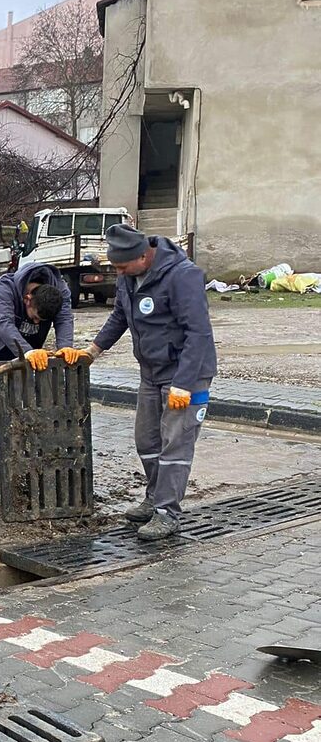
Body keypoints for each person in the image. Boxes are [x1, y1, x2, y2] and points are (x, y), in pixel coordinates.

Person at [69, 224, 217, 542]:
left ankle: (167, 513)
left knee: (174, 445)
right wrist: (94, 350)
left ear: (143, 256)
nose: (119, 273)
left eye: (122, 266)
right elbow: (120, 316)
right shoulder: (128, 277)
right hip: (151, 372)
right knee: (146, 441)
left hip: (184, 375)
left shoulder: (183, 276)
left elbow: (199, 333)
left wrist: (184, 383)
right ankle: (154, 498)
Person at [0, 262, 76, 480]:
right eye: (35, 317)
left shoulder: (59, 290)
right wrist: (27, 351)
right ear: (27, 299)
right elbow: (4, 324)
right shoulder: (5, 287)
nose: (36, 322)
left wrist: (66, 346)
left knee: (12, 405)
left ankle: (2, 454)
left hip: (23, 352)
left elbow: (64, 318)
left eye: (41, 321)